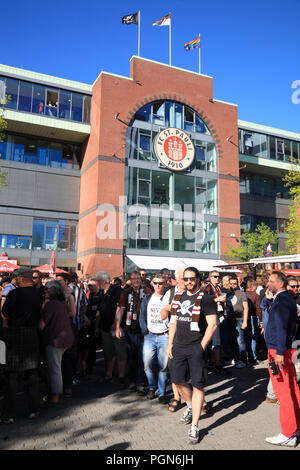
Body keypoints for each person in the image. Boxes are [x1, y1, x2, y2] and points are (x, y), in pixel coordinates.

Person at [167, 267, 217, 444]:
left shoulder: (206, 299)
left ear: (198, 279)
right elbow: (173, 321)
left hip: (196, 347)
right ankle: (190, 406)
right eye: (185, 279)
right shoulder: (178, 297)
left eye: (191, 279)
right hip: (178, 346)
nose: (188, 282)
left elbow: (212, 325)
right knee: (178, 380)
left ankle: (194, 426)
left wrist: (201, 347)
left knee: (198, 385)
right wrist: (169, 343)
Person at [1, 267, 43, 422]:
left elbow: (4, 312)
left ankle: (9, 414)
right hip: (32, 334)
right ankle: (34, 410)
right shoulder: (39, 294)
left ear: (21, 278)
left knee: (12, 375)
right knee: (32, 374)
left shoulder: (14, 293)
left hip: (14, 334)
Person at [264, 271, 300, 447]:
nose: (268, 284)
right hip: (285, 349)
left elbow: (281, 328)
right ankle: (296, 426)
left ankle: (288, 433)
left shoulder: (282, 301)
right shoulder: (285, 299)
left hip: (279, 351)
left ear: (279, 283)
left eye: (271, 281)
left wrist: (278, 352)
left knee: (283, 392)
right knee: (292, 388)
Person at [39, 281, 74, 406]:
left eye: (47, 289)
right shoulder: (61, 303)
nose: (45, 291)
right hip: (65, 339)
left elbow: (41, 325)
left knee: (54, 368)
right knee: (59, 367)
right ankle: (59, 392)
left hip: (56, 340)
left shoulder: (52, 305)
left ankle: (55, 396)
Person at [116, 271, 151, 394]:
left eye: (137, 278)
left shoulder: (147, 292)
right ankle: (131, 381)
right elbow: (120, 309)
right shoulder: (126, 293)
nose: (136, 281)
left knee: (142, 357)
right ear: (130, 280)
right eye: (133, 279)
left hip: (144, 330)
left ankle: (141, 383)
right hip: (129, 329)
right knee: (131, 357)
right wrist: (117, 327)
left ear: (141, 279)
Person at [139, 273, 169, 404]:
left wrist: (169, 331)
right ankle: (152, 387)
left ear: (165, 284)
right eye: (155, 283)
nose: (158, 285)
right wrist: (145, 330)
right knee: (147, 364)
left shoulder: (168, 299)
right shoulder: (147, 298)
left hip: (164, 336)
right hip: (150, 336)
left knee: (164, 366)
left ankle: (161, 393)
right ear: (152, 283)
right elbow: (142, 316)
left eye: (160, 283)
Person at [94, 271, 126, 387]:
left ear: (104, 281)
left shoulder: (117, 291)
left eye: (98, 281)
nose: (96, 283)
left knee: (120, 352)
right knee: (108, 353)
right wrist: (97, 327)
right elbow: (99, 311)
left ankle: (122, 376)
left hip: (115, 328)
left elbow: (120, 308)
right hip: (104, 327)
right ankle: (109, 374)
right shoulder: (102, 292)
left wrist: (116, 324)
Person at [202, 271, 228, 374]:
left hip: (219, 315)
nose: (217, 278)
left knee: (216, 341)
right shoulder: (207, 288)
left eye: (219, 276)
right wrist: (217, 299)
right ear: (210, 277)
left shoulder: (218, 288)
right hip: (211, 317)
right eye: (215, 276)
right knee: (216, 342)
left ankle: (213, 363)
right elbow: (203, 302)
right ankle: (218, 365)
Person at [226, 277, 249, 368]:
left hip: (239, 320)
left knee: (240, 341)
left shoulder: (242, 293)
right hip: (229, 320)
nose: (232, 285)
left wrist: (245, 321)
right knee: (232, 341)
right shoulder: (227, 293)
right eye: (231, 283)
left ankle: (243, 360)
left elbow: (246, 308)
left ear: (238, 283)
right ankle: (235, 359)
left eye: (234, 283)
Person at [245, 280, 262, 364]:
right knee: (253, 338)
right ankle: (253, 357)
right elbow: (259, 309)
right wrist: (261, 320)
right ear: (253, 286)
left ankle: (247, 356)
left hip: (244, 318)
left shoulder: (243, 294)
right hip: (254, 317)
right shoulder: (256, 295)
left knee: (246, 338)